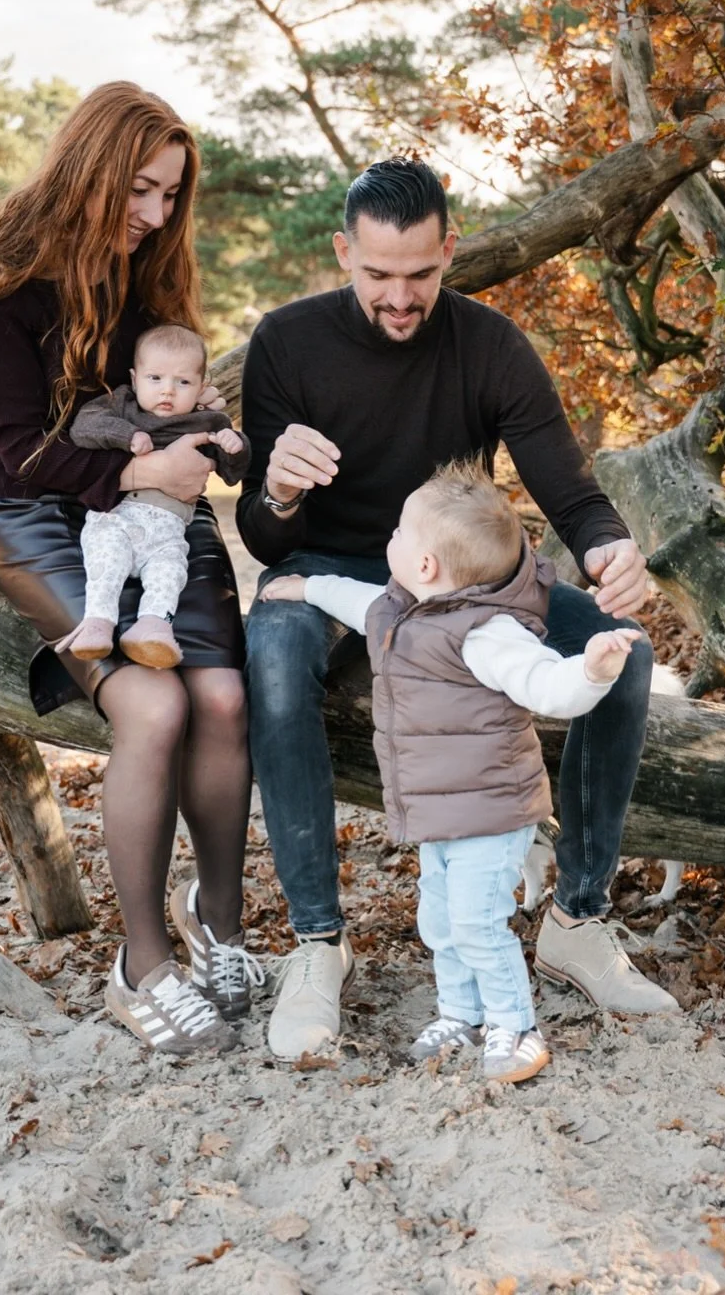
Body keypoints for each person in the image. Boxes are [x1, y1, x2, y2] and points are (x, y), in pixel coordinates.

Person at [239, 157, 679, 1060]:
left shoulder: (490, 346)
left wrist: (608, 548)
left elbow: (569, 488)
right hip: (333, 565)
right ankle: (319, 944)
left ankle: (577, 917)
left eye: (420, 275)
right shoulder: (286, 343)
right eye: (376, 277)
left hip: (475, 581)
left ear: (451, 249)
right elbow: (265, 535)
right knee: (274, 656)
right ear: (342, 254)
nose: (399, 299)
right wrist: (279, 494)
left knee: (625, 655)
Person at [0, 81, 263, 1055]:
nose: (157, 214)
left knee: (224, 702)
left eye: (171, 195)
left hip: (159, 513)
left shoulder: (150, 278)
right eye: (141, 189)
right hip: (40, 517)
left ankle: (221, 924)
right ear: (90, 164)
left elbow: (180, 415)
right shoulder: (0, 281)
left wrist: (203, 455)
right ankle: (144, 964)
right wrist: (137, 466)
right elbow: (20, 449)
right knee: (154, 708)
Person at [260, 463, 639, 1083]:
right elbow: (354, 602)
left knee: (478, 924)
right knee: (438, 921)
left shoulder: (487, 633)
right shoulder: (400, 611)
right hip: (440, 814)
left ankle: (515, 1027)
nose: (392, 538)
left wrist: (591, 671)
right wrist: (306, 588)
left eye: (402, 532)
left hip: (490, 813)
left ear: (429, 565)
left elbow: (546, 686)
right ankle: (460, 1015)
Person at [65, 323, 250, 669]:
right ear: (135, 379)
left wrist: (234, 446)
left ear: (201, 386)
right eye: (155, 379)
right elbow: (84, 425)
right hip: (116, 517)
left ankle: (153, 627)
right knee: (107, 562)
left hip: (167, 531)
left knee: (171, 571)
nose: (168, 391)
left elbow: (233, 472)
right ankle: (98, 624)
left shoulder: (208, 421)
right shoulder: (123, 405)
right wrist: (127, 436)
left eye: (183, 382)